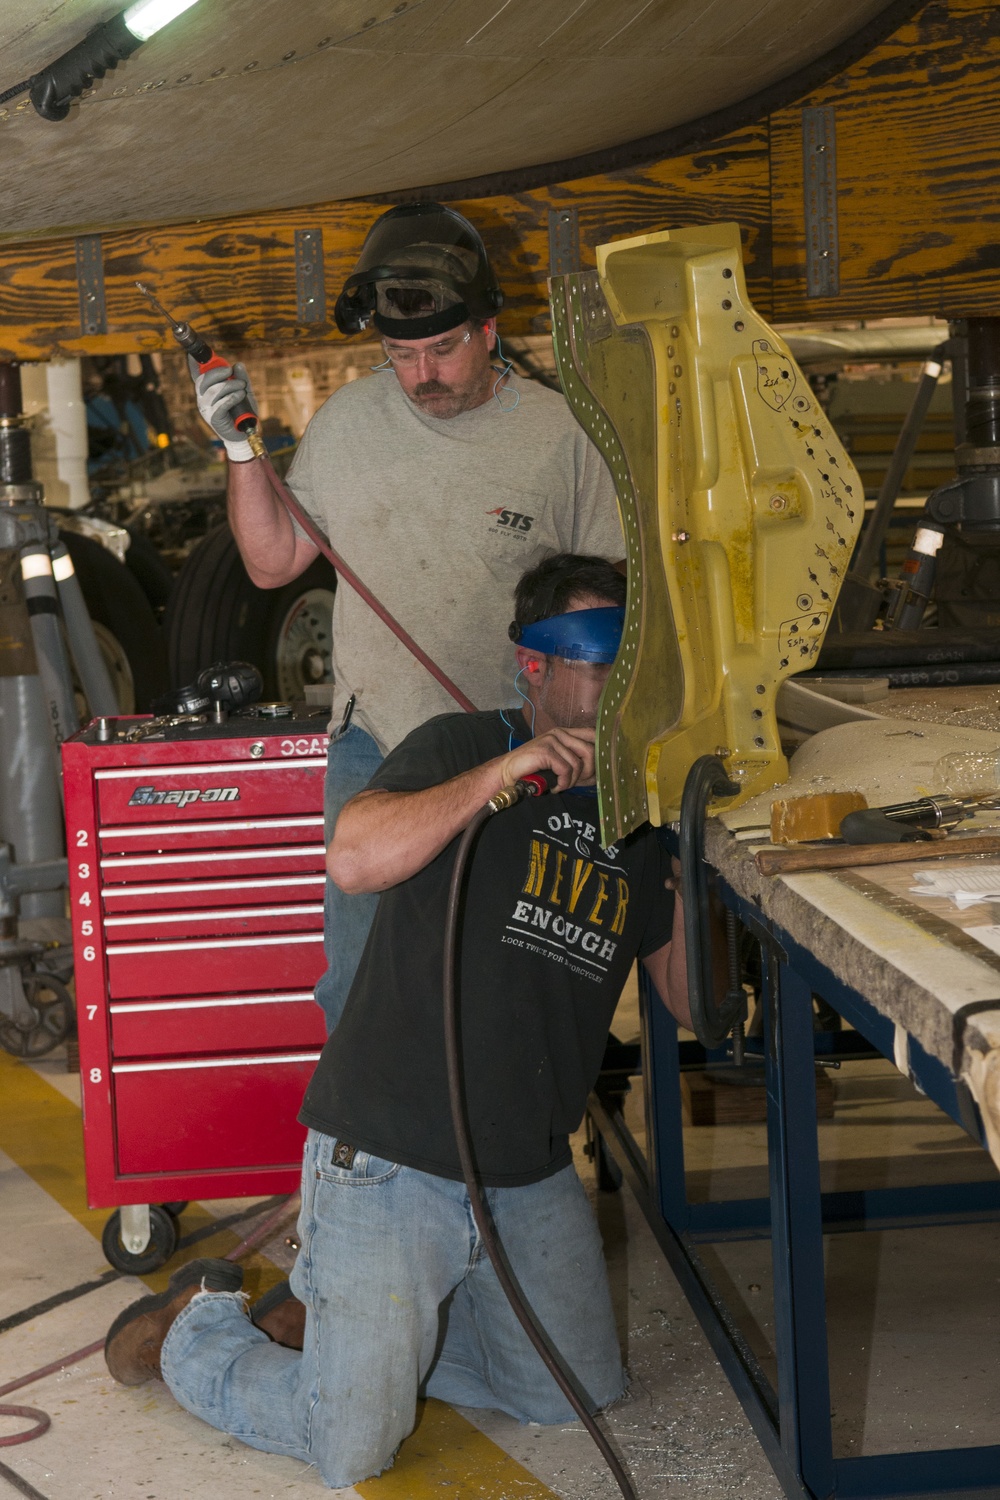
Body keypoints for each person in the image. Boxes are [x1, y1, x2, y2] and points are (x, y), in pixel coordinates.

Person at [103, 553, 691, 1491]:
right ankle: (201, 1330)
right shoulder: (462, 746)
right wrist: (512, 768)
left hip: (524, 1170)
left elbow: (692, 1001)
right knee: (352, 1448)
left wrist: (691, 846)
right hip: (389, 1157)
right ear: (532, 666)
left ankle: (347, 1327)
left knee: (572, 1398)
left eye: (634, 659)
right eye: (596, 656)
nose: (616, 682)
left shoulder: (642, 811)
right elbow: (355, 857)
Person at [189, 201, 623, 1033]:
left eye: (442, 350)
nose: (422, 376)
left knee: (511, 979)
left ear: (489, 329)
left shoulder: (561, 435)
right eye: (401, 355)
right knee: (360, 982)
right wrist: (240, 450)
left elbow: (613, 600)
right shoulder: (350, 422)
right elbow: (272, 560)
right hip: (377, 747)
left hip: (516, 745)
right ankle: (358, 1164)